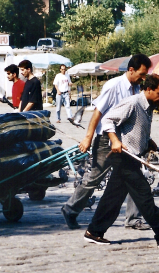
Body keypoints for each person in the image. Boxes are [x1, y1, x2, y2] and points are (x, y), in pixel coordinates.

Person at [84, 74, 159, 248]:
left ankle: (94, 231)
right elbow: (107, 119)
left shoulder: (149, 106)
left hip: (134, 156)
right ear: (149, 89)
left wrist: (147, 141)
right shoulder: (133, 102)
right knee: (143, 193)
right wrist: (114, 140)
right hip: (124, 157)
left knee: (112, 198)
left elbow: (136, 127)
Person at [62, 54, 152, 230]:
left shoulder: (136, 89)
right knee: (94, 178)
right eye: (141, 74)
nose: (143, 78)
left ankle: (133, 218)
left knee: (134, 176)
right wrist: (88, 137)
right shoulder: (113, 86)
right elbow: (98, 113)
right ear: (131, 70)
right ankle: (70, 209)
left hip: (127, 141)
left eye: (145, 75)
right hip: (106, 139)